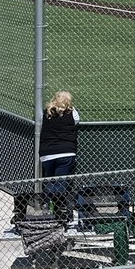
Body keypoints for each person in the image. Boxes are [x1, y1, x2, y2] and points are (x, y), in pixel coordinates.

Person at [38, 90, 80, 222]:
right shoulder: (72, 112)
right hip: (66, 151)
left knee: (50, 180)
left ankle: (49, 207)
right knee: (61, 183)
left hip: (47, 153)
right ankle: (59, 210)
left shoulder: (46, 112)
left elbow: (42, 122)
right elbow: (76, 122)